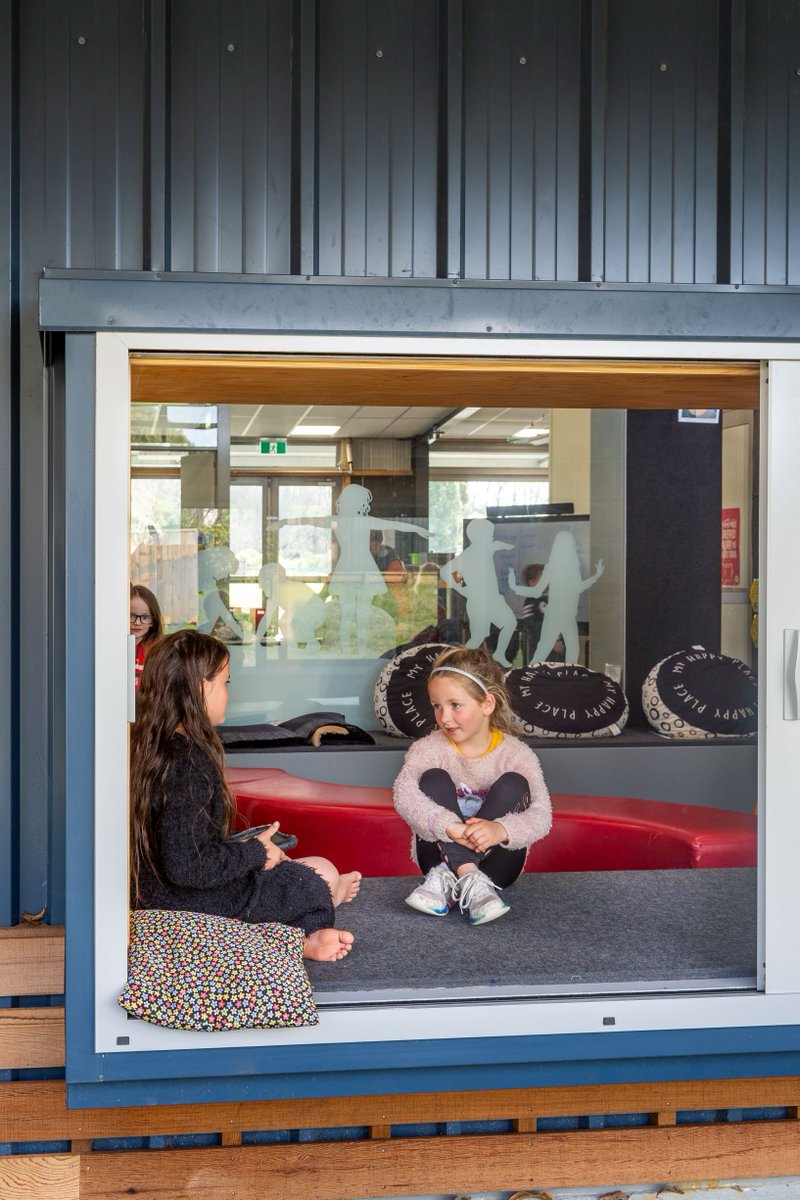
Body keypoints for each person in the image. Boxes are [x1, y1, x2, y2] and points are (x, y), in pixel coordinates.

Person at [130, 629, 360, 962]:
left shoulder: (148, 747)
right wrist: (254, 853)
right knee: (315, 877)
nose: (227, 692)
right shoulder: (187, 762)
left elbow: (182, 844)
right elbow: (187, 868)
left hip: (158, 895)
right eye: (225, 682)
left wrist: (250, 849)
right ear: (199, 687)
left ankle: (322, 898)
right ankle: (306, 927)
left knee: (306, 868)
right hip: (184, 906)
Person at [392, 646, 552, 925]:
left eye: (455, 705)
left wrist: (500, 829)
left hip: (498, 866)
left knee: (515, 783)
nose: (444, 717)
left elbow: (542, 815)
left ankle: (474, 882)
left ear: (487, 705)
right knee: (431, 778)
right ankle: (466, 878)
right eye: (437, 706)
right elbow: (403, 794)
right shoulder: (429, 748)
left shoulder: (516, 754)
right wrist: (448, 826)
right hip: (436, 861)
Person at [130, 584, 163, 689]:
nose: (137, 622)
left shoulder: (158, 651)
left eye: (145, 617)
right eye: (131, 616)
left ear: (153, 621)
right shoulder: (114, 648)